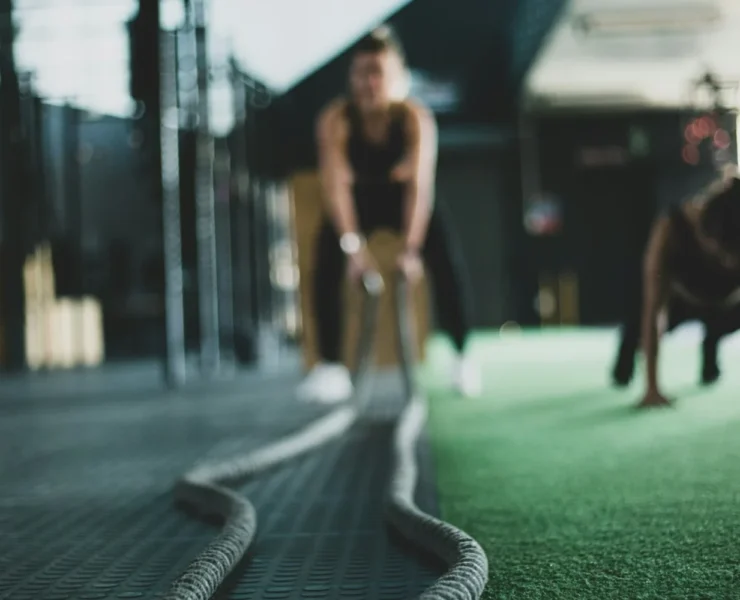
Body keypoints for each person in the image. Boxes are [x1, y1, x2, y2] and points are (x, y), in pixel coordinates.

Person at [296, 26, 481, 404]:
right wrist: (353, 250)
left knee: (445, 258)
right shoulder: (336, 120)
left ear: (397, 78)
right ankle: (331, 367)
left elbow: (419, 189)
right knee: (325, 254)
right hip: (358, 203)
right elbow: (335, 188)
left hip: (403, 203)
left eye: (377, 72)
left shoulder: (414, 119)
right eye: (361, 74)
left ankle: (462, 357)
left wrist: (411, 250)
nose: (368, 83)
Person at [626, 172, 740, 408]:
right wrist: (652, 388)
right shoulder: (671, 228)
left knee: (720, 322)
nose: (730, 263)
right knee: (638, 324)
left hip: (726, 305)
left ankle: (711, 345)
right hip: (682, 301)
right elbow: (654, 309)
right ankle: (626, 354)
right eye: (725, 255)